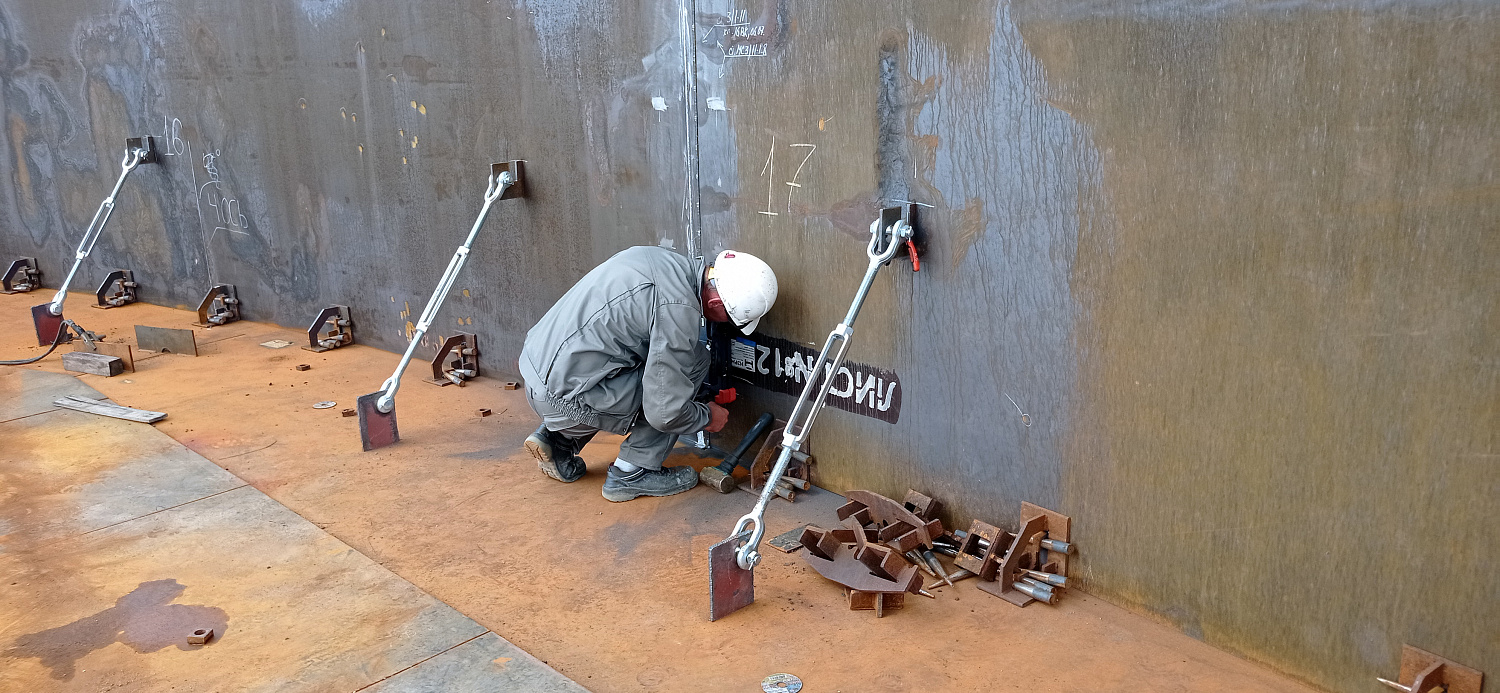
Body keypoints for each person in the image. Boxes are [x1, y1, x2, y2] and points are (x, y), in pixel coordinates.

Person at [519, 247, 778, 502]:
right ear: (715, 303)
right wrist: (706, 416)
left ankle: (558, 441)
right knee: (689, 371)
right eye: (731, 318)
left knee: (670, 360)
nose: (727, 325)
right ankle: (632, 472)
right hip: (565, 399)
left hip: (534, 371)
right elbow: (666, 413)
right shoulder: (678, 311)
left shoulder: (657, 259)